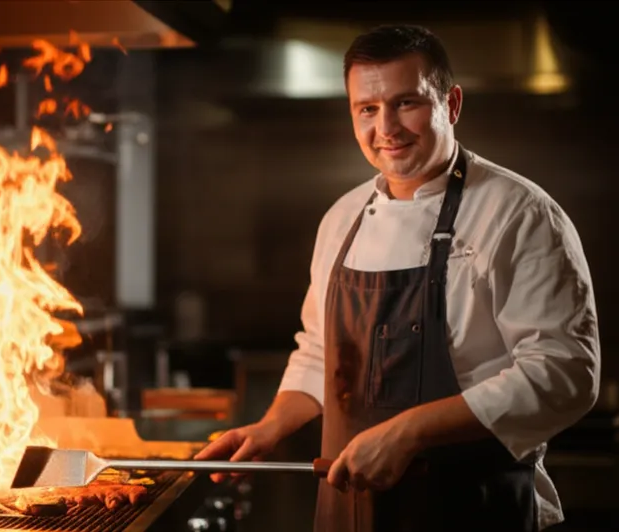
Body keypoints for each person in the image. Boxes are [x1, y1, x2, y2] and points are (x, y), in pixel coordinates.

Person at [195, 24, 600, 532]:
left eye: (406, 103)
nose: (386, 127)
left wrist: (409, 431)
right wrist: (270, 427)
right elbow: (320, 351)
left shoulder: (520, 214)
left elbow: (564, 373)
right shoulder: (341, 218)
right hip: (350, 510)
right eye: (367, 109)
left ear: (451, 104)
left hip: (472, 508)